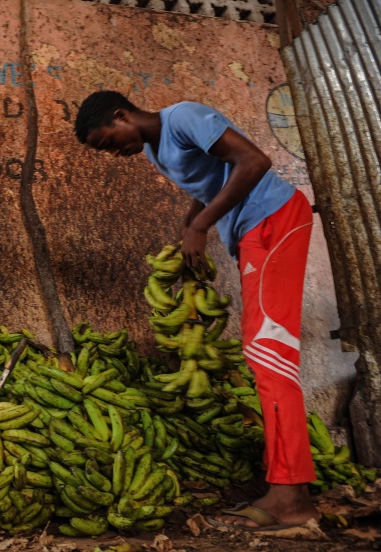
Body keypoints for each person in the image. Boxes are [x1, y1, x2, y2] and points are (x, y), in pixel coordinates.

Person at [74, 90, 320, 530]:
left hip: (274, 219)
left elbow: (254, 161)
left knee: (269, 355)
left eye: (107, 141)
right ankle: (287, 487)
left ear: (121, 114)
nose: (112, 153)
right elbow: (211, 185)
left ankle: (291, 496)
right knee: (263, 354)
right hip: (252, 231)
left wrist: (202, 227)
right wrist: (190, 227)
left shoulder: (184, 118)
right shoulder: (153, 150)